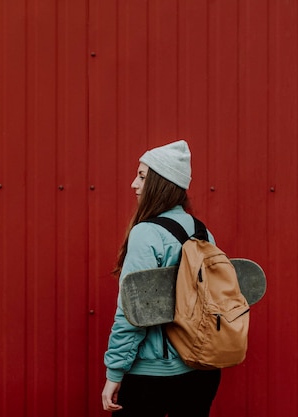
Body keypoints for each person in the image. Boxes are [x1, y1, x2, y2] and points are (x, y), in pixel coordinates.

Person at [101, 140, 221, 416]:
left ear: (160, 183)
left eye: (142, 176)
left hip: (154, 375)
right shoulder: (201, 231)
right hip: (202, 370)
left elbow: (134, 313)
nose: (134, 183)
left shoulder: (147, 233)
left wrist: (115, 372)